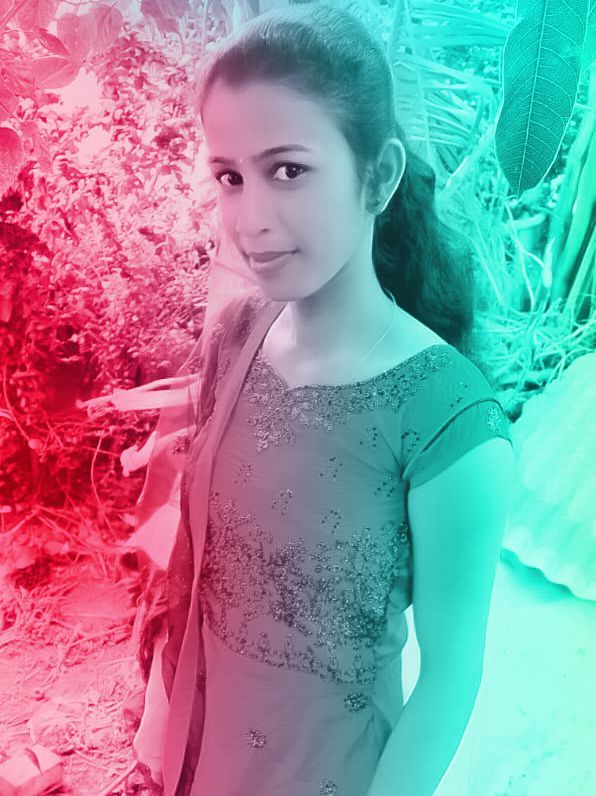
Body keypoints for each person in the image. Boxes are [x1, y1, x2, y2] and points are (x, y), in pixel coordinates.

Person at [155, 4, 516, 795]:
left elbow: (452, 677)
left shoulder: (453, 426)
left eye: (288, 170)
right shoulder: (238, 337)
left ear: (378, 176)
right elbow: (203, 574)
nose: (251, 221)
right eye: (230, 177)